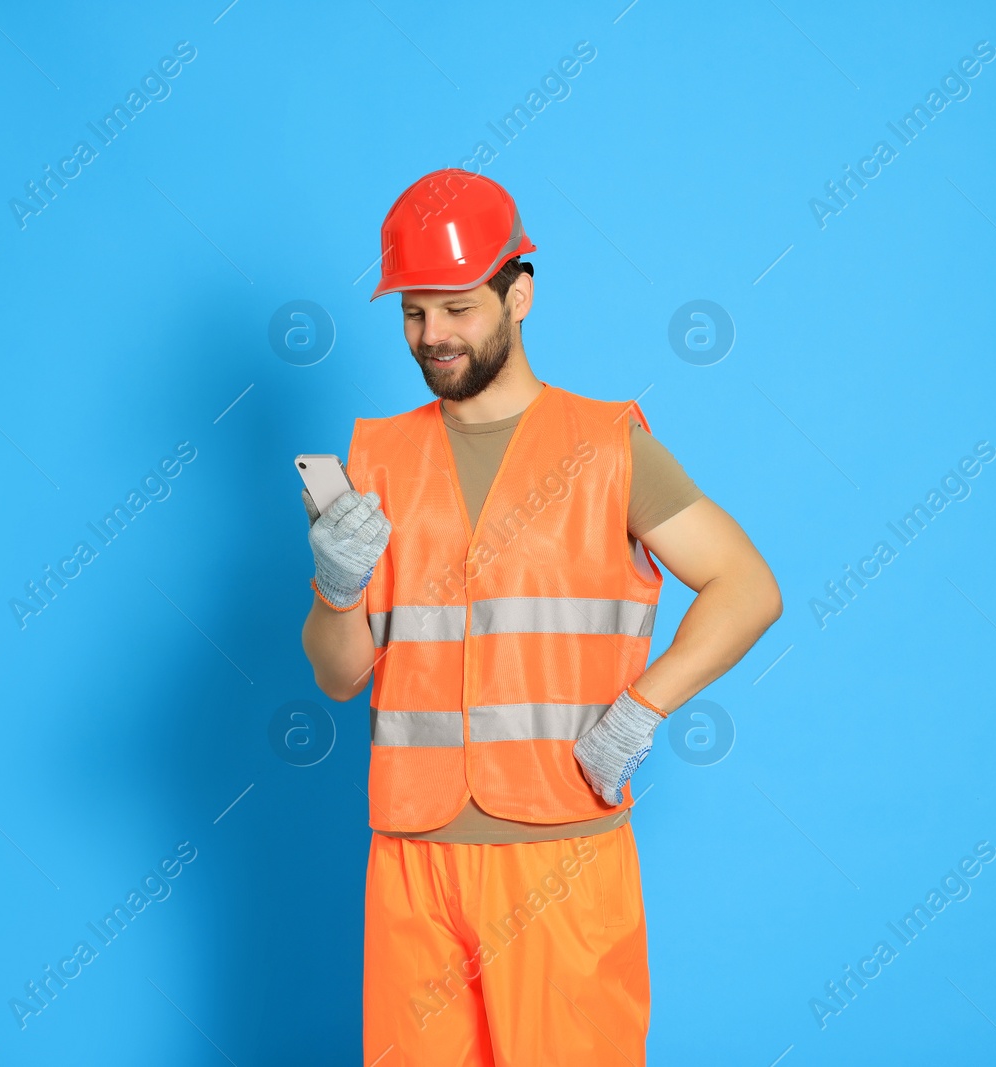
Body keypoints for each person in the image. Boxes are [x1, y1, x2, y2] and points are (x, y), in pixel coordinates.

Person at [299, 168, 783, 1066]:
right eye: (413, 313)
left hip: (561, 854)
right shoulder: (375, 459)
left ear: (519, 292)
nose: (432, 336)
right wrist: (335, 589)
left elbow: (748, 587)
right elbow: (337, 675)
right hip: (412, 861)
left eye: (456, 308)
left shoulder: (609, 449)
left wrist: (643, 707)